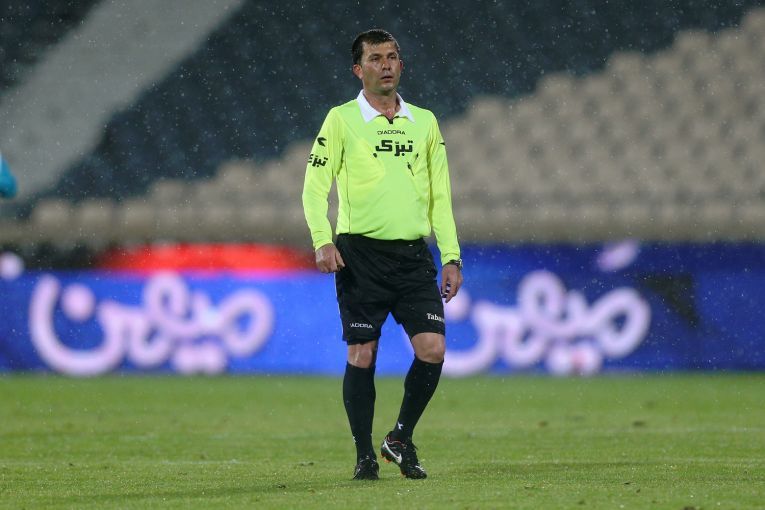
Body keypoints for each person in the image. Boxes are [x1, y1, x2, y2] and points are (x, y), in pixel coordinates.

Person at [302, 29, 463, 481]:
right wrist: (322, 239)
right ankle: (364, 455)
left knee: (432, 349)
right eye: (375, 58)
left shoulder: (425, 122)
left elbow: (441, 197)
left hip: (412, 256)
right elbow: (314, 187)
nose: (386, 65)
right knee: (362, 353)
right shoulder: (341, 120)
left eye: (392, 57)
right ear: (359, 69)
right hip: (360, 256)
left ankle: (399, 438)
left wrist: (451, 256)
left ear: (401, 65)